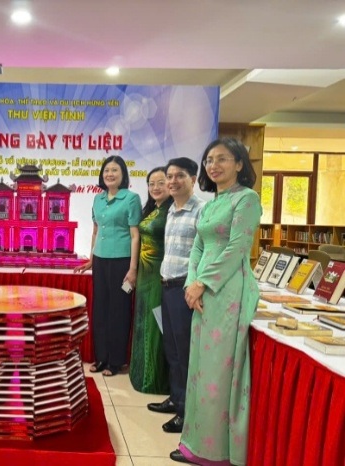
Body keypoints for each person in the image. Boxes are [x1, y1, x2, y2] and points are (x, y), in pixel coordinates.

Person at [170, 138, 261, 465]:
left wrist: (203, 283)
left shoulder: (247, 199)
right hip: (202, 291)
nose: (213, 165)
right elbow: (198, 247)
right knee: (199, 369)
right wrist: (191, 283)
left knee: (217, 372)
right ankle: (194, 444)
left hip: (228, 291)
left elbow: (238, 248)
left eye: (222, 158)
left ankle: (216, 451)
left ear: (239, 164)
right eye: (209, 159)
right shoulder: (211, 205)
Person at [147, 157, 205, 436]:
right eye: (169, 176)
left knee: (184, 352)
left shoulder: (202, 210)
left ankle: (186, 412)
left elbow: (206, 252)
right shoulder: (171, 210)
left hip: (185, 288)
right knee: (171, 349)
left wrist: (197, 285)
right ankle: (175, 398)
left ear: (193, 179)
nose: (172, 181)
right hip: (167, 285)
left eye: (179, 176)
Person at [75, 155, 140, 377]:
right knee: (100, 309)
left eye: (114, 170)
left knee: (119, 311)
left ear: (123, 175)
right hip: (101, 261)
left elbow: (135, 235)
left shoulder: (131, 199)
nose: (110, 174)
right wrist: (92, 259)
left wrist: (133, 268)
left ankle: (116, 361)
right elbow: (95, 231)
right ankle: (101, 357)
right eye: (106, 171)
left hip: (122, 261)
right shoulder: (97, 199)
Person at [129, 167, 172, 393]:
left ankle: (155, 380)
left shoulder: (172, 211)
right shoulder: (153, 209)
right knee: (143, 322)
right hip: (145, 274)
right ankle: (141, 374)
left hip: (159, 275)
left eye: (160, 182)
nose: (155, 187)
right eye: (151, 183)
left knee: (157, 324)